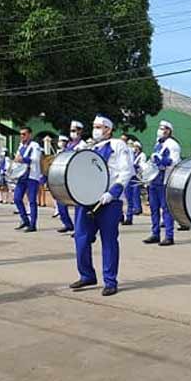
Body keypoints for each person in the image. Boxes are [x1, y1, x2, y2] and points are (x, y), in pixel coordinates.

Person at [71, 114, 134, 296]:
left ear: (108, 129)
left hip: (109, 201)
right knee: (81, 239)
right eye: (94, 126)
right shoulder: (88, 146)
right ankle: (87, 275)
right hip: (86, 199)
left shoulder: (117, 145)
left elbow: (126, 171)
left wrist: (113, 192)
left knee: (109, 241)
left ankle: (110, 281)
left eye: (99, 127)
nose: (95, 129)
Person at [145, 120, 181, 247]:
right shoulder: (158, 144)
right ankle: (155, 233)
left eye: (163, 128)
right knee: (154, 209)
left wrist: (163, 160)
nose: (161, 130)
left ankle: (169, 236)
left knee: (166, 209)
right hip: (154, 180)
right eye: (160, 128)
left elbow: (175, 162)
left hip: (165, 180)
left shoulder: (173, 144)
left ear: (169, 131)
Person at [55, 121, 84, 233]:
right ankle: (67, 224)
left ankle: (78, 229)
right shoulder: (69, 145)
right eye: (71, 131)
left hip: (76, 178)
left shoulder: (82, 145)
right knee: (60, 201)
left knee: (78, 207)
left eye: (74, 131)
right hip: (66, 177)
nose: (72, 133)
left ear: (80, 131)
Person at [12, 127, 43, 232]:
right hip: (21, 176)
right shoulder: (21, 146)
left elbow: (36, 159)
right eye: (20, 134)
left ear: (30, 134)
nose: (22, 136)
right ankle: (25, 220)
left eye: (24, 134)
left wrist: (23, 159)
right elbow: (17, 158)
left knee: (32, 201)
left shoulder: (35, 146)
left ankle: (33, 224)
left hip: (31, 176)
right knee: (16, 198)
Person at [123, 137, 145, 225]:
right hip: (129, 176)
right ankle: (128, 217)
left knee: (135, 195)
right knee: (128, 198)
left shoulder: (141, 155)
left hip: (136, 177)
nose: (133, 147)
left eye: (135, 146)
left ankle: (136, 210)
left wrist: (137, 166)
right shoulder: (129, 153)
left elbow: (142, 165)